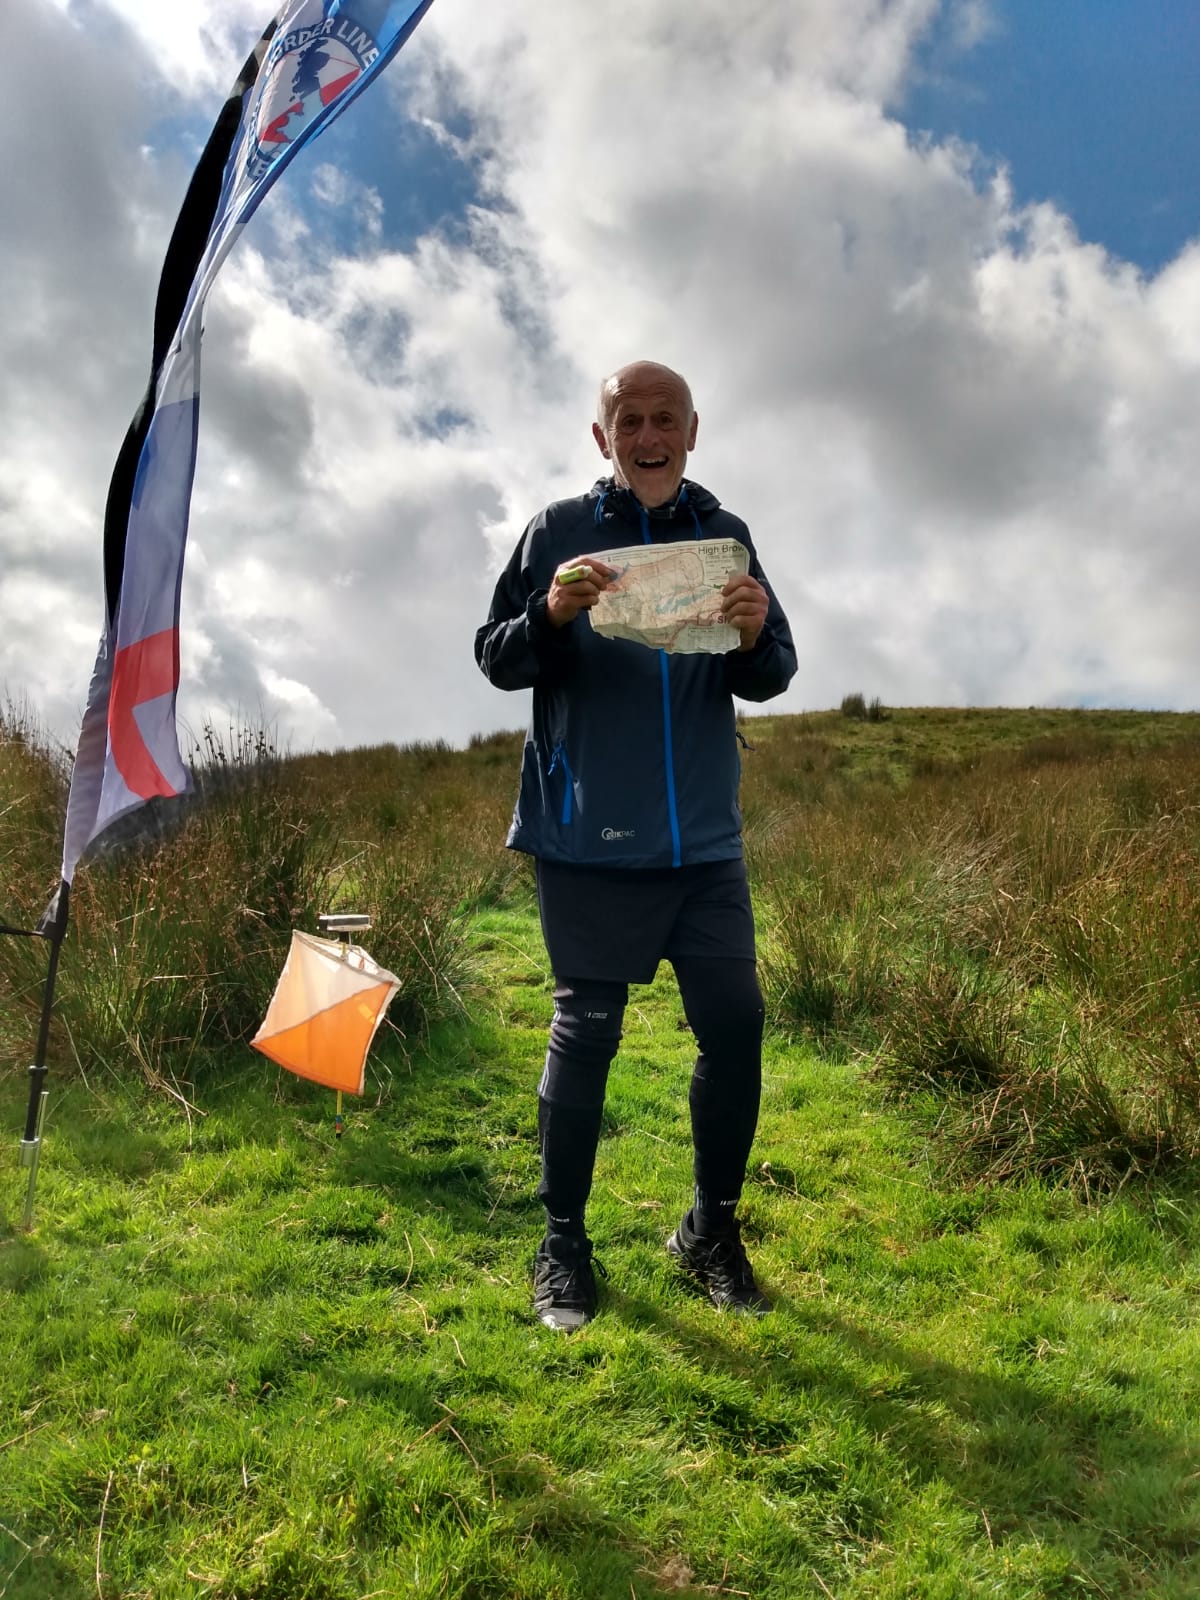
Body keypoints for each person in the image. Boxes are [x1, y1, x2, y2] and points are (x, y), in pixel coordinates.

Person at [475, 360, 797, 1330]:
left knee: (735, 1026)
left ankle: (710, 1232)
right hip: (589, 837)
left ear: (692, 431)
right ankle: (562, 1244)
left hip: (703, 841)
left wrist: (754, 634)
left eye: (666, 419)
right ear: (601, 435)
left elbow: (773, 671)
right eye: (629, 420)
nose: (648, 437)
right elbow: (496, 655)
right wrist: (550, 615)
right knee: (588, 1034)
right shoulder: (557, 532)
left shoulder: (724, 535)